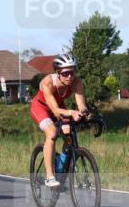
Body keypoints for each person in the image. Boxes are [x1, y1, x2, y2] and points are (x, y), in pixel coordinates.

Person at [29, 53, 90, 188]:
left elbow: (81, 105)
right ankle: (50, 176)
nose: (70, 76)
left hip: (60, 107)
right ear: (58, 72)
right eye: (66, 73)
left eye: (73, 72)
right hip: (41, 107)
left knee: (69, 137)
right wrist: (71, 112)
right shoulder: (48, 83)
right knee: (52, 133)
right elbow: (55, 110)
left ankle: (61, 168)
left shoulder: (77, 82)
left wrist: (85, 113)